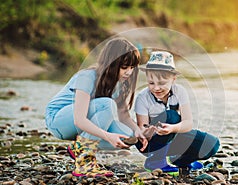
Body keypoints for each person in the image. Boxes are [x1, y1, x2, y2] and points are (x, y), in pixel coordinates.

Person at [45, 37, 147, 177]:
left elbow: (124, 116)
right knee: (107, 104)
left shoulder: (119, 83)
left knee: (128, 136)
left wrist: (138, 131)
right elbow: (79, 120)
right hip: (59, 120)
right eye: (124, 67)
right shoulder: (87, 76)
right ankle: (85, 162)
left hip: (79, 122)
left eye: (132, 67)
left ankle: (79, 149)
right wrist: (107, 136)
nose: (129, 72)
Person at [134, 51, 220, 175]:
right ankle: (155, 161)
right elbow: (142, 127)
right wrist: (149, 130)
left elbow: (188, 123)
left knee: (212, 144)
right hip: (151, 143)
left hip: (173, 134)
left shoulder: (180, 92)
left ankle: (182, 160)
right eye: (151, 83)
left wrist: (172, 128)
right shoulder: (142, 97)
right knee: (172, 115)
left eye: (162, 83)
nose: (156, 88)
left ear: (173, 79)